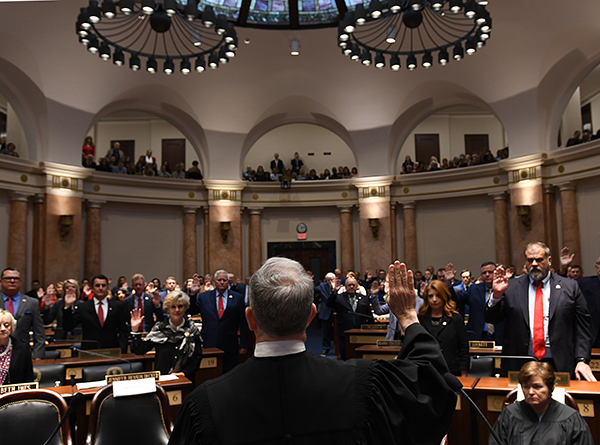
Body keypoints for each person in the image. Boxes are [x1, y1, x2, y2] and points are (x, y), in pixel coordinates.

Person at [169, 258, 456, 445]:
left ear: (250, 319)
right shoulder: (364, 385)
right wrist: (407, 316)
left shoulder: (204, 404)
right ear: (311, 316)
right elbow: (433, 384)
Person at [486, 242, 595, 381]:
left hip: (559, 362)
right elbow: (492, 318)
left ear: (549, 260)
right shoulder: (511, 287)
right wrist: (496, 295)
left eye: (539, 260)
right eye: (530, 260)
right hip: (520, 361)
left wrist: (582, 360)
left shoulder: (570, 287)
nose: (534, 264)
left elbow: (583, 328)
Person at [490, 361, 593, 445]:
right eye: (526, 387)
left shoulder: (571, 419)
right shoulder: (510, 415)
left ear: (550, 388)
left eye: (537, 387)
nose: (530, 392)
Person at [130, 290, 203, 383]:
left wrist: (184, 373)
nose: (177, 310)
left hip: (185, 380)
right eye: (173, 307)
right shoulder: (160, 328)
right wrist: (135, 330)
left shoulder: (192, 330)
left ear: (185, 307)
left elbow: (197, 357)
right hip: (163, 380)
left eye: (180, 306)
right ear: (167, 309)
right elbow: (139, 350)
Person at [189, 270, 248, 373]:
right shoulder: (204, 297)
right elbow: (192, 311)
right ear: (214, 282)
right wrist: (193, 294)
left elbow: (243, 322)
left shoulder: (237, 298)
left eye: (224, 280)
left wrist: (243, 344)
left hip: (230, 344)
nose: (222, 282)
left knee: (230, 375)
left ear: (228, 282)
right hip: (209, 342)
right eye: (219, 280)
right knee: (210, 374)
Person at [62, 274, 128, 352]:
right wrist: (68, 307)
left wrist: (122, 350)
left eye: (103, 285)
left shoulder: (117, 306)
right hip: (89, 351)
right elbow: (68, 326)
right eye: (97, 285)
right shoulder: (83, 307)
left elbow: (123, 331)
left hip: (112, 350)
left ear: (107, 288)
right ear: (92, 288)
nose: (101, 288)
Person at [326, 276, 387, 360]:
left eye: (353, 285)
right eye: (349, 285)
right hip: (344, 332)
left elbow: (369, 316)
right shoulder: (339, 298)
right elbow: (329, 304)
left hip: (361, 332)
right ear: (345, 287)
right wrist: (334, 292)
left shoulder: (364, 298)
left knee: (360, 356)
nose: (351, 287)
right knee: (345, 356)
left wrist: (372, 330)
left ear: (357, 287)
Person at [418, 280, 469, 376]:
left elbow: (463, 349)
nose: (434, 299)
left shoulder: (455, 319)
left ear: (444, 296)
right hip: (426, 371)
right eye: (430, 296)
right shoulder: (421, 319)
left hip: (451, 370)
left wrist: (464, 373)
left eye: (438, 295)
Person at [0, 268, 46, 358]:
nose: (12, 281)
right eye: (8, 278)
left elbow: (39, 332)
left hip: (23, 353)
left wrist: (38, 356)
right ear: (1, 281)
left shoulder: (31, 302)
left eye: (16, 278)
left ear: (20, 281)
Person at [455, 261, 505, 343]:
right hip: (478, 335)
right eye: (484, 273)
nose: (487, 275)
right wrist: (448, 283)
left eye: (490, 272)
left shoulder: (504, 289)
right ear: (481, 275)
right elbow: (457, 299)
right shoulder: (474, 289)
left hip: (500, 335)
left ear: (496, 273)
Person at [0, 309, 34, 384]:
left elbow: (28, 377)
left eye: (6, 325)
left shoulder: (22, 347)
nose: (3, 329)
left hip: (15, 394)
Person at [314, 272, 335, 356]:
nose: (330, 281)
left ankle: (338, 348)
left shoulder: (338, 287)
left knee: (336, 332)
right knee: (325, 333)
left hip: (335, 312)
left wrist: (334, 289)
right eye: (328, 280)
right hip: (325, 312)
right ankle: (325, 349)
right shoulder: (322, 286)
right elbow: (313, 289)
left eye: (331, 280)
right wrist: (309, 280)